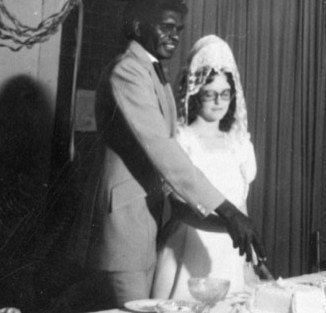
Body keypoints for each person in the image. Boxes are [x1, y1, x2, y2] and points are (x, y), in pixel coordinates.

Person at [82, 1, 265, 307]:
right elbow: (164, 151)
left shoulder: (153, 73)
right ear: (139, 26)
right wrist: (228, 211)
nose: (174, 35)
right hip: (123, 230)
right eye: (165, 26)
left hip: (144, 228)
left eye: (178, 29)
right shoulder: (127, 71)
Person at [152, 35, 259, 298]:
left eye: (225, 94)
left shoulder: (239, 144)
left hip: (230, 254)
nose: (219, 102)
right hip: (187, 249)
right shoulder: (181, 140)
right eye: (210, 94)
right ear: (195, 92)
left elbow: (240, 205)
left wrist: (248, 255)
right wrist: (229, 227)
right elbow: (179, 209)